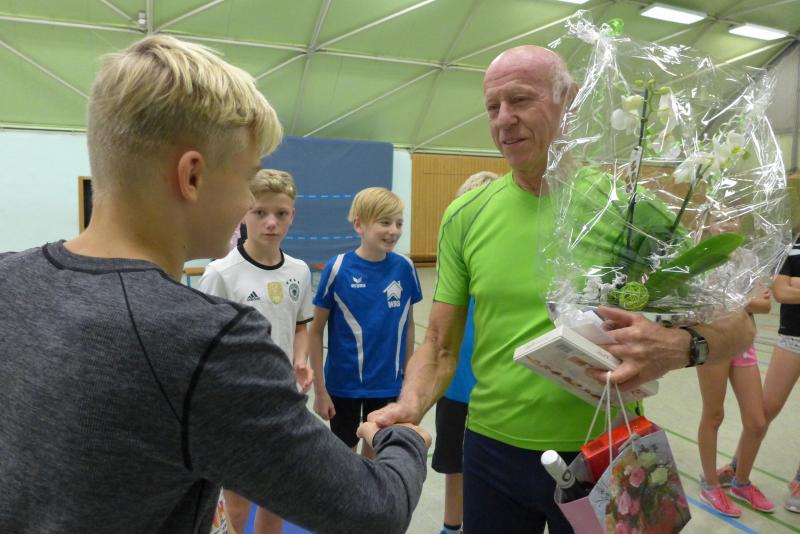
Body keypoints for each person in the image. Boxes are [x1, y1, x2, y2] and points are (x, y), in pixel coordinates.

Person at [0, 35, 431, 534]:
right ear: (192, 177)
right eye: (246, 179)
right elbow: (373, 510)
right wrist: (406, 440)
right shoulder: (207, 341)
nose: (249, 202)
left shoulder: (9, 278)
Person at [368, 45, 755, 533]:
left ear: (568, 101)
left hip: (606, 448)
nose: (503, 119)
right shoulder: (465, 215)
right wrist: (411, 402)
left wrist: (679, 346)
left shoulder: (628, 210)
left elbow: (739, 324)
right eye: (492, 107)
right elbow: (440, 345)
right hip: (491, 451)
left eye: (520, 100)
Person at [197, 169, 314, 534]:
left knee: (277, 494)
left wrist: (300, 359)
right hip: (236, 405)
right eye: (260, 212)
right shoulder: (220, 273)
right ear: (244, 213)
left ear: (292, 215)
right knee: (238, 499)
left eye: (281, 213)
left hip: (283, 400)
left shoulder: (299, 271)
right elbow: (203, 343)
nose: (271, 222)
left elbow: (300, 325)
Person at [309, 187, 422, 459]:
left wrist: (408, 382)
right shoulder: (338, 268)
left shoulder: (405, 268)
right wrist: (320, 391)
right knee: (344, 458)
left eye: (399, 224)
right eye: (385, 222)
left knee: (375, 455)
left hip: (388, 384)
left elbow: (408, 325)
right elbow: (315, 332)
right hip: (343, 385)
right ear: (359, 224)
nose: (393, 231)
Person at [432, 171, 499, 534]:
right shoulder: (453, 272)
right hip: (457, 389)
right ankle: (451, 526)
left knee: (497, 470)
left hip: (498, 392)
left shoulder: (504, 271)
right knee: (454, 466)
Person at [721, 233, 800, 513]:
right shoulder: (792, 246)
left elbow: (790, 290)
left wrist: (796, 285)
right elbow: (781, 293)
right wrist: (789, 287)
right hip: (792, 338)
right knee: (763, 411)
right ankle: (736, 466)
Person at [697, 285, 773, 516]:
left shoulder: (749, 266)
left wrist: (723, 297)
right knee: (714, 415)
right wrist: (744, 298)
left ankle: (741, 483)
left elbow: (764, 305)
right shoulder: (706, 264)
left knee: (757, 422)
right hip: (711, 338)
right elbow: (700, 298)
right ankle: (710, 486)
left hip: (742, 342)